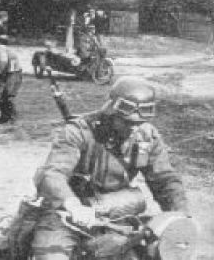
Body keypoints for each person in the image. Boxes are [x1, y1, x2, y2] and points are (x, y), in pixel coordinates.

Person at [30, 77, 188, 260]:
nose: (134, 128)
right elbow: (52, 174)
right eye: (127, 122)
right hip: (65, 212)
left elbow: (165, 180)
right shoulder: (79, 131)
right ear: (112, 111)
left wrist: (180, 216)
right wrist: (73, 205)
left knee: (154, 251)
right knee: (52, 255)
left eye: (139, 123)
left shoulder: (146, 136)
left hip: (116, 211)